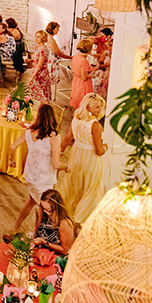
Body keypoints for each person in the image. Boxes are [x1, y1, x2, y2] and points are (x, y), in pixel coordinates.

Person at [6, 104, 68, 237]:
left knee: (31, 201)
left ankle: (16, 227)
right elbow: (56, 164)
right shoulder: (53, 136)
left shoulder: (29, 131)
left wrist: (12, 160)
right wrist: (67, 167)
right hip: (43, 177)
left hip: (30, 174)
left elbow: (12, 146)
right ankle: (36, 235)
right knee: (43, 207)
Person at [58, 93, 108, 223]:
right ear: (88, 107)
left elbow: (68, 138)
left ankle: (67, 212)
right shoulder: (95, 125)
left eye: (100, 107)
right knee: (91, 188)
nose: (99, 110)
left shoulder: (76, 119)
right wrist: (106, 147)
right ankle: (83, 218)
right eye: (96, 107)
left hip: (76, 155)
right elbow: (99, 151)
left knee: (73, 184)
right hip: (90, 159)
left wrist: (60, 152)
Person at [33, 189, 76, 255]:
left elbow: (65, 250)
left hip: (56, 257)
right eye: (43, 207)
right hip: (40, 253)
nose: (45, 212)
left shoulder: (65, 223)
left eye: (48, 210)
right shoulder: (42, 214)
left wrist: (45, 243)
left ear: (56, 209)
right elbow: (36, 232)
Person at [69, 39, 96, 109]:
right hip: (83, 84)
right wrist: (94, 70)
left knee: (78, 103)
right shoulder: (84, 61)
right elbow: (84, 77)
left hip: (76, 81)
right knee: (83, 104)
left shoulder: (75, 57)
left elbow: (73, 70)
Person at [28, 30, 53, 103]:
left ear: (42, 38)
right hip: (36, 72)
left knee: (43, 96)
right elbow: (36, 60)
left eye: (38, 37)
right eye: (36, 36)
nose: (36, 38)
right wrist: (30, 60)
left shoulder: (43, 49)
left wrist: (32, 77)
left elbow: (39, 65)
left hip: (41, 74)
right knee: (34, 95)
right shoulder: (37, 48)